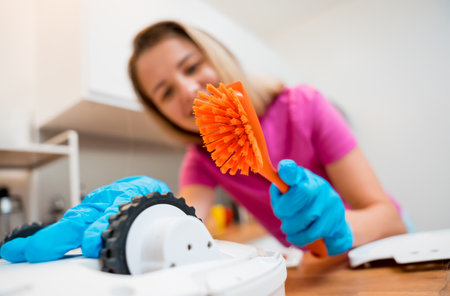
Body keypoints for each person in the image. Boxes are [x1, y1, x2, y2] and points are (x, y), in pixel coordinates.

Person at [1, 21, 406, 263]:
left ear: (217, 54)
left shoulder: (306, 106)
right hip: (317, 271)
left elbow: (389, 218)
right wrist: (144, 213)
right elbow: (185, 219)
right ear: (160, 112)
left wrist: (338, 224)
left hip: (391, 253)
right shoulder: (204, 158)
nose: (186, 90)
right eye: (163, 92)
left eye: (191, 66)